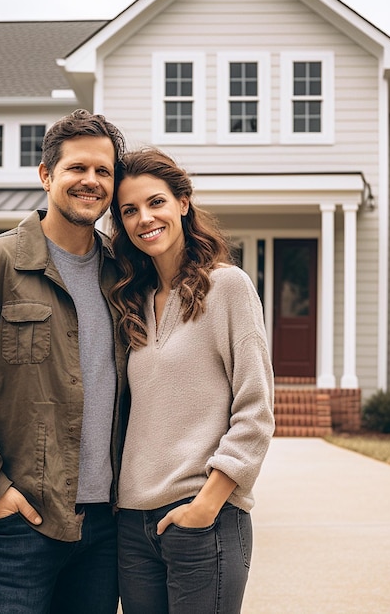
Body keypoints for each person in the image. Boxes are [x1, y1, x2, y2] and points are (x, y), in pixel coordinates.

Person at [0, 109, 129, 614]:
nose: (91, 181)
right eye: (77, 168)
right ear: (46, 175)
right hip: (18, 523)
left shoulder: (124, 274)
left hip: (105, 526)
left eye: (103, 171)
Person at [109, 147, 275, 614]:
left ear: (183, 202)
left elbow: (256, 409)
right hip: (134, 525)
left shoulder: (229, 287)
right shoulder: (131, 301)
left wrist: (207, 506)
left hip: (206, 519)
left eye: (156, 202)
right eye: (129, 210)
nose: (145, 218)